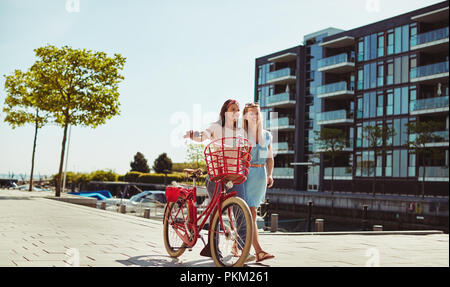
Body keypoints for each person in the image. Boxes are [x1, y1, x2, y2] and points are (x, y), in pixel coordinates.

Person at [183, 99, 251, 259]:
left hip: (234, 175)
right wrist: (194, 134)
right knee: (216, 211)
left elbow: (244, 150)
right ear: (225, 111)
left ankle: (242, 249)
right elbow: (204, 135)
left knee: (241, 211)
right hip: (217, 174)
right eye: (233, 109)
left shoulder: (240, 131)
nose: (236, 112)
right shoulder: (215, 127)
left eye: (238, 109)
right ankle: (213, 247)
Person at [242, 102, 275, 263]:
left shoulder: (267, 135)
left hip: (260, 176)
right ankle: (258, 251)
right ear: (245, 116)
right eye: (251, 113)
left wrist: (270, 174)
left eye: (256, 113)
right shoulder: (241, 134)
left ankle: (236, 245)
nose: (254, 116)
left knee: (250, 213)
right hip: (246, 176)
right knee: (251, 213)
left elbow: (270, 158)